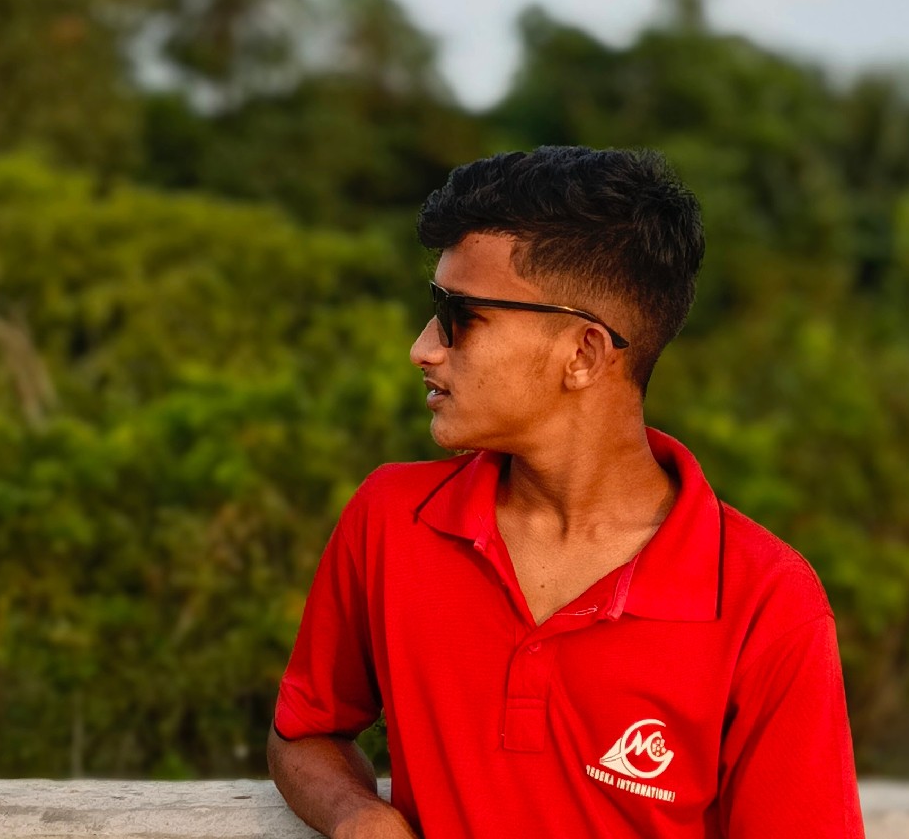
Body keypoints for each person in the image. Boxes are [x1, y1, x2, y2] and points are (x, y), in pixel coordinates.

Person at [269, 146, 865, 838]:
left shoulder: (767, 600)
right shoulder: (391, 518)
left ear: (583, 354)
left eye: (460, 316)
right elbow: (305, 731)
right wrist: (355, 815)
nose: (424, 347)